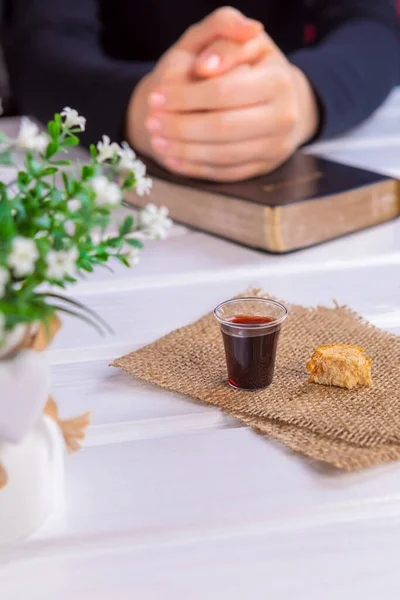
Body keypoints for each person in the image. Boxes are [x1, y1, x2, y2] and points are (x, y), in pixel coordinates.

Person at [3, 1, 400, 182]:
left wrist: (302, 94)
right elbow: (42, 42)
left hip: (281, 115)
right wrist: (143, 105)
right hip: (111, 162)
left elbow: (374, 28)